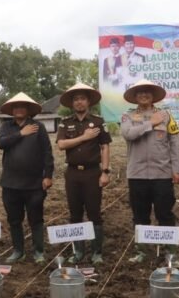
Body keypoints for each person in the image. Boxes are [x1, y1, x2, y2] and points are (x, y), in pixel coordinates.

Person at [120, 79, 179, 267]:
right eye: (139, 93)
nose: (144, 95)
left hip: (162, 174)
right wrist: (150, 123)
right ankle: (141, 251)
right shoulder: (128, 116)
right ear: (135, 97)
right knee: (140, 215)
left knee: (165, 214)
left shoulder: (165, 115)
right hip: (137, 174)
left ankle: (171, 253)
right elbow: (128, 134)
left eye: (147, 92)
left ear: (153, 96)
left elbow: (175, 143)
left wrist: (178, 169)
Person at [56, 83, 112, 265]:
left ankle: (97, 252)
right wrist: (84, 137)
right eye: (76, 99)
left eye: (82, 98)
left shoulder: (98, 121)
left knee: (94, 212)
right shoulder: (65, 122)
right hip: (72, 173)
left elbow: (105, 147)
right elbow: (61, 145)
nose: (79, 102)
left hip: (92, 173)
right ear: (72, 103)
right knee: (75, 214)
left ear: (88, 102)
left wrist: (105, 171)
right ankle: (78, 251)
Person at [0, 92, 54, 265]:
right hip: (10, 183)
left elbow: (47, 152)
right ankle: (18, 250)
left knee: (36, 218)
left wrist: (48, 175)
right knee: (14, 219)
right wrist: (21, 133)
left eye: (22, 106)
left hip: (34, 183)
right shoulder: (7, 127)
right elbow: (1, 143)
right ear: (12, 110)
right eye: (16, 106)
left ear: (28, 110)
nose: (19, 109)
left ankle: (38, 251)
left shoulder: (38, 127)